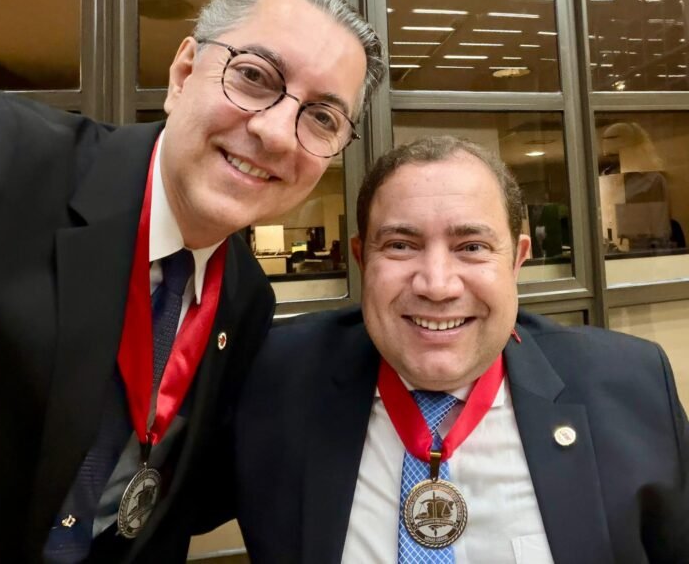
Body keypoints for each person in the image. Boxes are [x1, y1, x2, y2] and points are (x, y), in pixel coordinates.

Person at [0, 0, 384, 562]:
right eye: (253, 76)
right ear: (183, 74)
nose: (275, 133)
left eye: (322, 117)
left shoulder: (245, 298)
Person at [234, 136, 689, 564]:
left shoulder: (630, 388)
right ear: (361, 258)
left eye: (472, 246)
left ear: (517, 260)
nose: (437, 285)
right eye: (400, 245)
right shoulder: (273, 377)